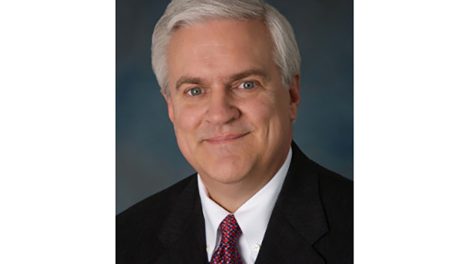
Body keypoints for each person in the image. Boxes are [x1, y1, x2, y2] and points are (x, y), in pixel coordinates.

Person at [117, 0, 352, 263]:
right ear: (171, 106)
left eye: (246, 85)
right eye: (195, 91)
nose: (220, 114)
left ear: (291, 94)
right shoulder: (122, 242)